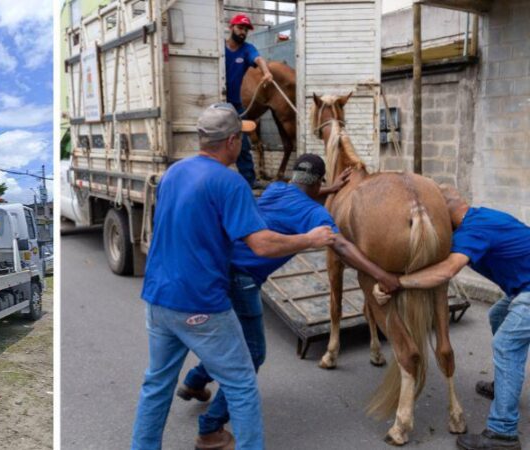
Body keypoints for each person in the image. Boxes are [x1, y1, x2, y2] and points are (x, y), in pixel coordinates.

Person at [131, 103, 336, 450]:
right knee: (241, 382)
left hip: (157, 298)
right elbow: (262, 244)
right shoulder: (231, 182)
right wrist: (311, 239)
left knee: (157, 384)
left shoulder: (174, 173)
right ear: (230, 142)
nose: (242, 143)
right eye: (240, 137)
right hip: (201, 304)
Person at [177, 154, 401, 449]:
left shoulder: (275, 189)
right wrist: (382, 274)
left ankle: (194, 381)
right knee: (253, 353)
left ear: (295, 177)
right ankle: (211, 427)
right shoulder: (314, 215)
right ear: (317, 182)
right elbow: (342, 245)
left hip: (219, 269)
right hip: (242, 281)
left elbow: (307, 189)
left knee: (232, 338)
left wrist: (330, 188)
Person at [374, 185, 530, 450]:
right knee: (498, 316)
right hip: (521, 289)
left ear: (446, 212)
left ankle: (503, 433)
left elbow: (446, 271)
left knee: (506, 344)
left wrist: (397, 282)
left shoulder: (473, 230)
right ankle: (505, 386)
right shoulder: (479, 218)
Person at [225, 13, 272, 189]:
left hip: (235, 105)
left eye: (246, 29)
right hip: (218, 103)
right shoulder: (219, 47)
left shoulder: (247, 49)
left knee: (242, 144)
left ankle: (249, 181)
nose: (243, 32)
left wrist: (266, 72)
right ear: (232, 28)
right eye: (240, 28)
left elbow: (258, 58)